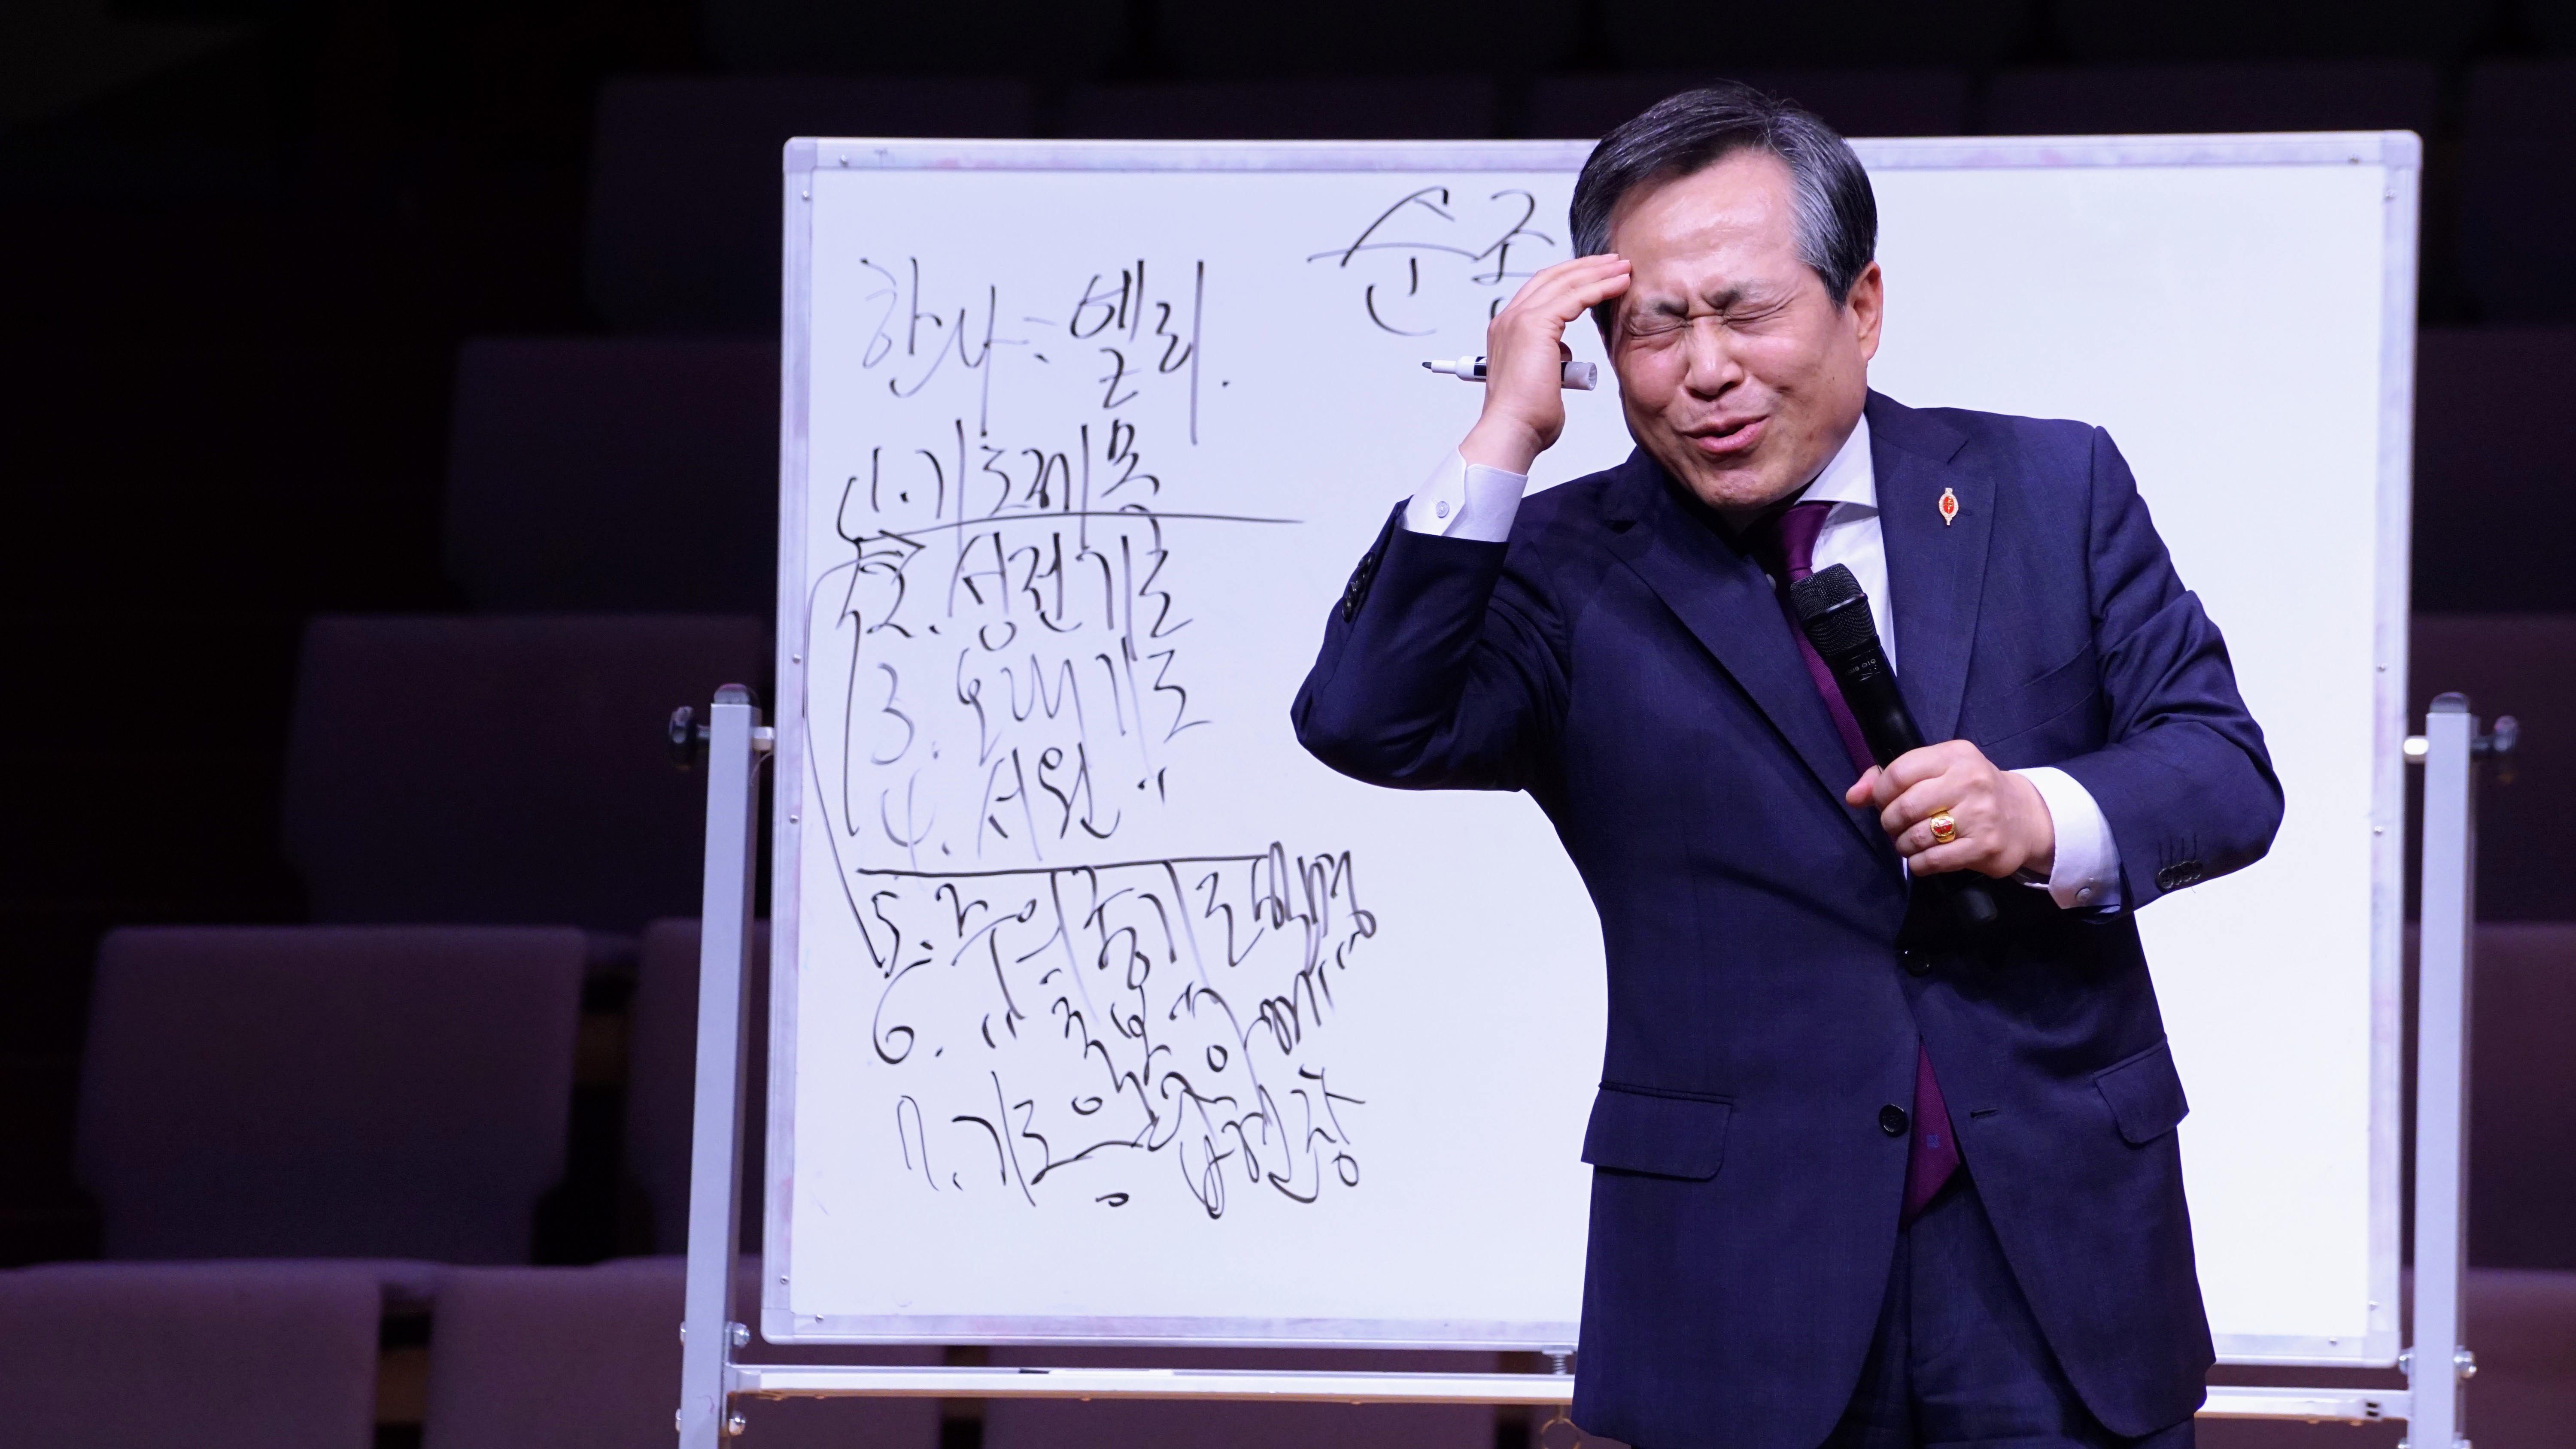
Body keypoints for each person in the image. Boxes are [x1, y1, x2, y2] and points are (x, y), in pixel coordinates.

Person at [1291, 85, 2282, 1449]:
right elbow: (1367, 720)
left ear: (1860, 306)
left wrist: (2036, 813)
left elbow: (2221, 770)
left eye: (1745, 312)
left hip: (2056, 1260)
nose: (1704, 371)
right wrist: (1501, 438)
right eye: (1653, 327)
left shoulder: (2052, 487)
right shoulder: (1564, 567)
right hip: (1736, 1275)